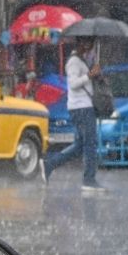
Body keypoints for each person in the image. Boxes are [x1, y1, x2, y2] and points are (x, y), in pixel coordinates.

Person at [41, 37, 105, 192]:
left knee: (80, 146)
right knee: (90, 143)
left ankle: (50, 164)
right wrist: (89, 75)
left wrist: (94, 74)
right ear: (82, 43)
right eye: (89, 44)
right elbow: (73, 84)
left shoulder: (82, 61)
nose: (90, 48)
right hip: (81, 107)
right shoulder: (74, 62)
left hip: (85, 106)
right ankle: (89, 179)